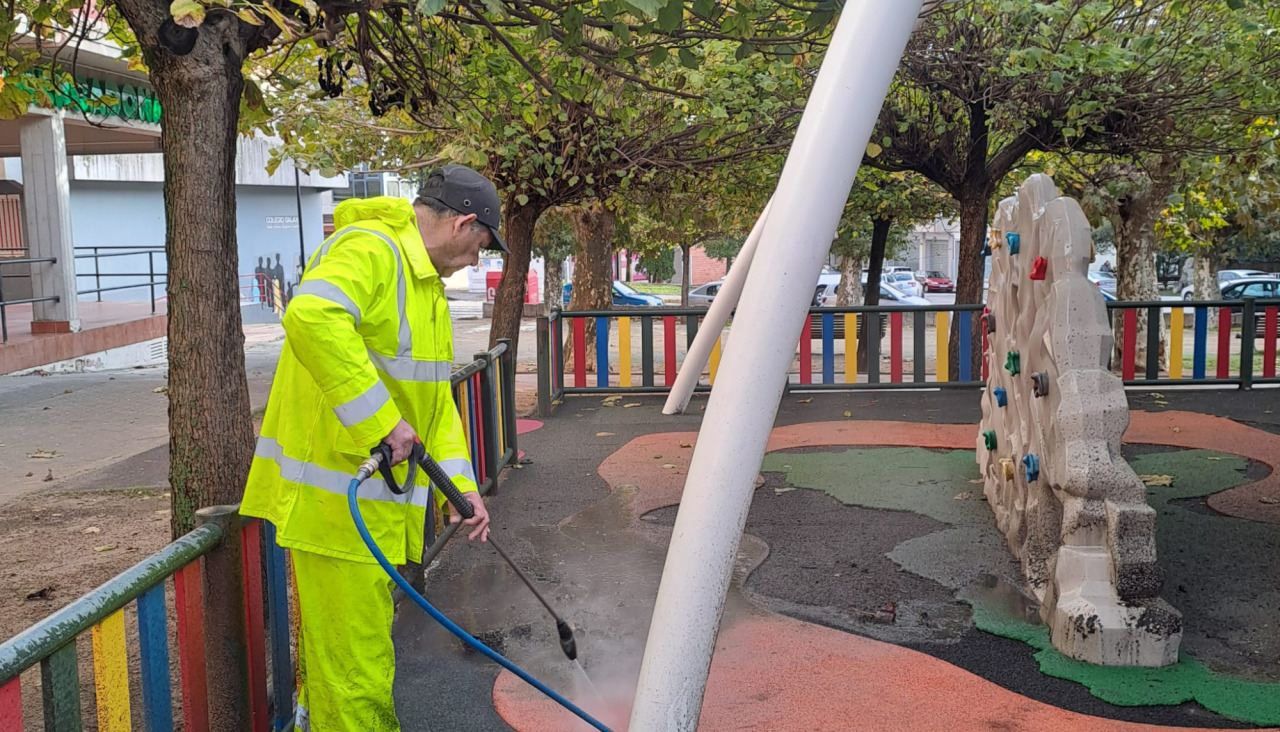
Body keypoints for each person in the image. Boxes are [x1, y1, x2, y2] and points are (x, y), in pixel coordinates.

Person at [241, 164, 509, 732]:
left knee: (340, 668)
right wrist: (383, 422)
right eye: (482, 245)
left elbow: (433, 408)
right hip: (336, 511)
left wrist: (461, 488)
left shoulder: (424, 286)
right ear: (462, 223)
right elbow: (312, 315)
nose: (477, 260)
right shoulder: (371, 250)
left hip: (362, 512)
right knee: (357, 678)